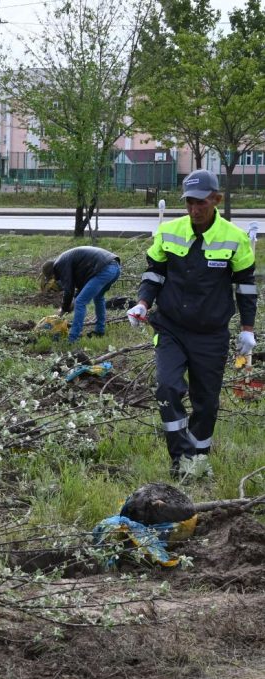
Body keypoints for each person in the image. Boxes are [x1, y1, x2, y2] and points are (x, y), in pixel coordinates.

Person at [128, 169, 258, 479]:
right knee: (167, 388)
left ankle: (198, 460)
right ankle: (181, 458)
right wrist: (143, 303)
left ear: (216, 200)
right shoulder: (169, 231)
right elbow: (154, 273)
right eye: (189, 202)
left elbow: (245, 287)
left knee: (206, 402)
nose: (194, 209)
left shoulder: (234, 238)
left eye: (201, 203)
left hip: (211, 333)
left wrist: (247, 329)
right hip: (171, 327)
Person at [39, 246, 121, 342]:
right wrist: (73, 300)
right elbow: (82, 286)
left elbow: (69, 289)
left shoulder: (59, 264)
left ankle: (73, 338)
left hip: (104, 269)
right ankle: (100, 331)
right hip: (115, 267)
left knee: (80, 302)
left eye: (53, 277)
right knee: (98, 297)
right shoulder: (66, 261)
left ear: (52, 273)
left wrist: (64, 309)